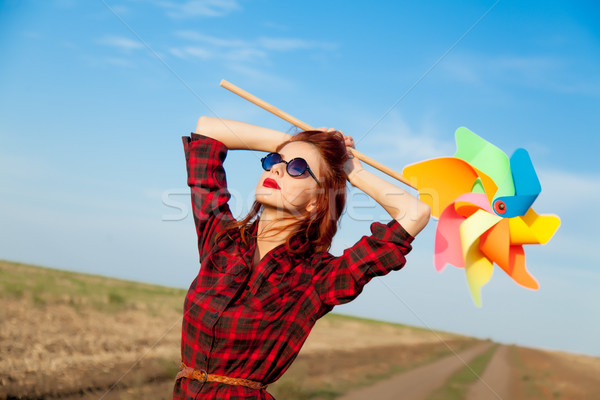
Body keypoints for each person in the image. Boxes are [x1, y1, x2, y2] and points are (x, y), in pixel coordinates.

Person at [173, 116, 431, 399]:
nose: (279, 170)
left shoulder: (319, 278)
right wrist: (301, 143)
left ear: (315, 201)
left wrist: (347, 167)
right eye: (274, 161)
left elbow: (414, 213)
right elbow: (208, 130)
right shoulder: (221, 239)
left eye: (297, 168)